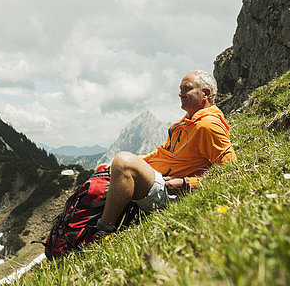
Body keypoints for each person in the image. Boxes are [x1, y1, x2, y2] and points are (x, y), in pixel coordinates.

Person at [95, 70, 236, 234]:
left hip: (171, 192)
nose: (180, 94)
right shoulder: (187, 121)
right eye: (180, 89)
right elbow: (161, 153)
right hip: (160, 179)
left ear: (205, 94)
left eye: (186, 89)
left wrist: (186, 183)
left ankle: (104, 230)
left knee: (123, 161)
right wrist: (127, 163)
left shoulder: (208, 125)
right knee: (115, 163)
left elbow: (231, 171)